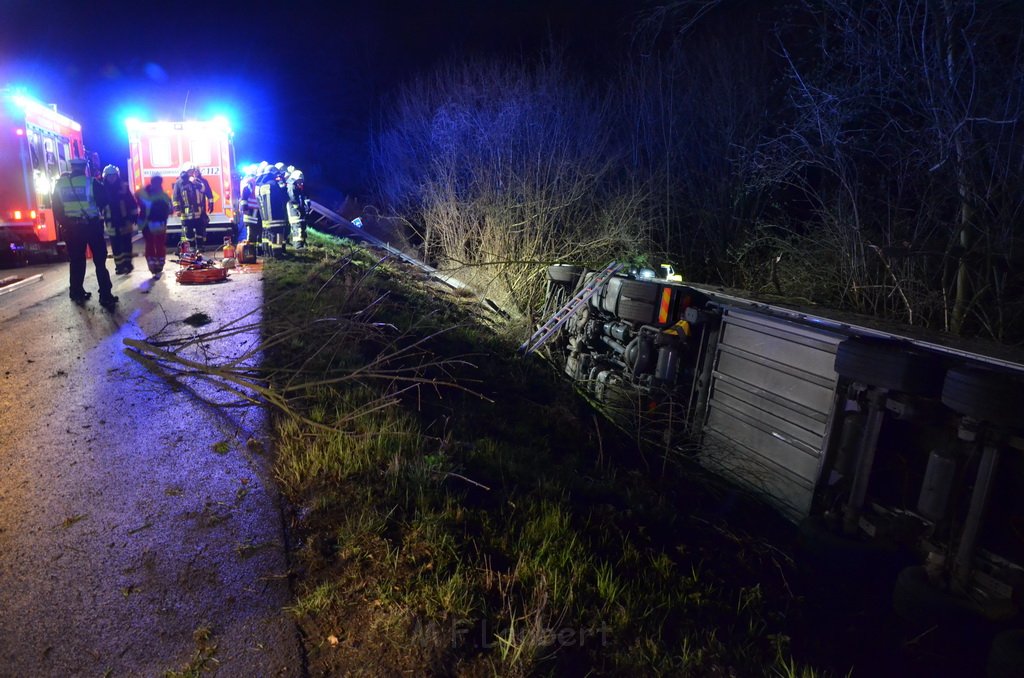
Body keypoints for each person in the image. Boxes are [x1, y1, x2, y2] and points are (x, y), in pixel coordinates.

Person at [52, 157, 117, 309]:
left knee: (76, 261)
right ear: (84, 168)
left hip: (72, 229)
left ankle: (76, 292)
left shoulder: (60, 184)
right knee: (100, 261)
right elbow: (105, 200)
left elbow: (56, 208)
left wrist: (66, 224)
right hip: (91, 226)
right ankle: (105, 295)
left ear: (72, 167)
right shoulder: (91, 183)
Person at [100, 164, 139, 274]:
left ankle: (128, 264)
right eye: (109, 176)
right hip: (111, 222)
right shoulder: (102, 189)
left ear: (117, 176)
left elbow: (132, 203)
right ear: (105, 177)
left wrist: (134, 217)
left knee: (126, 244)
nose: (112, 178)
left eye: (113, 176)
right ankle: (119, 266)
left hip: (125, 220)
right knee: (116, 245)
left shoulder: (124, 187)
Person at [135, 175, 174, 278]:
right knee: (158, 244)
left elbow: (137, 199)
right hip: (158, 223)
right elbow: (170, 209)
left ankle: (153, 266)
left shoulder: (144, 193)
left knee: (151, 244)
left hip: (148, 223)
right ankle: (158, 265)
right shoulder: (163, 195)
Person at [172, 163, 206, 251]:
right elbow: (175, 197)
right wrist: (177, 209)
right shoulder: (179, 183)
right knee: (188, 232)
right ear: (185, 172)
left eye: (193, 171)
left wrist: (195, 182)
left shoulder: (196, 181)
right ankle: (191, 248)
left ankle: (200, 247)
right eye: (190, 171)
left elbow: (203, 189)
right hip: (185, 213)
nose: (192, 173)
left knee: (200, 231)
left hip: (198, 212)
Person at [286, 169, 309, 248]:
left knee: (301, 227)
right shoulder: (291, 186)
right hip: (294, 210)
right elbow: (293, 198)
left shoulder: (298, 187)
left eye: (301, 181)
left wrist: (304, 206)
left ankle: (301, 244)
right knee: (297, 226)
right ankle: (298, 246)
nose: (301, 182)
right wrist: (298, 207)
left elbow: (302, 198)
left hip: (299, 210)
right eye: (299, 180)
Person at [238, 167, 261, 244]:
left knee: (252, 230)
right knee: (253, 231)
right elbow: (245, 193)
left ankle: (254, 250)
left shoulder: (245, 180)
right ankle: (252, 250)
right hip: (252, 209)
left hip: (249, 209)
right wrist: (244, 207)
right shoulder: (252, 181)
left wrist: (244, 207)